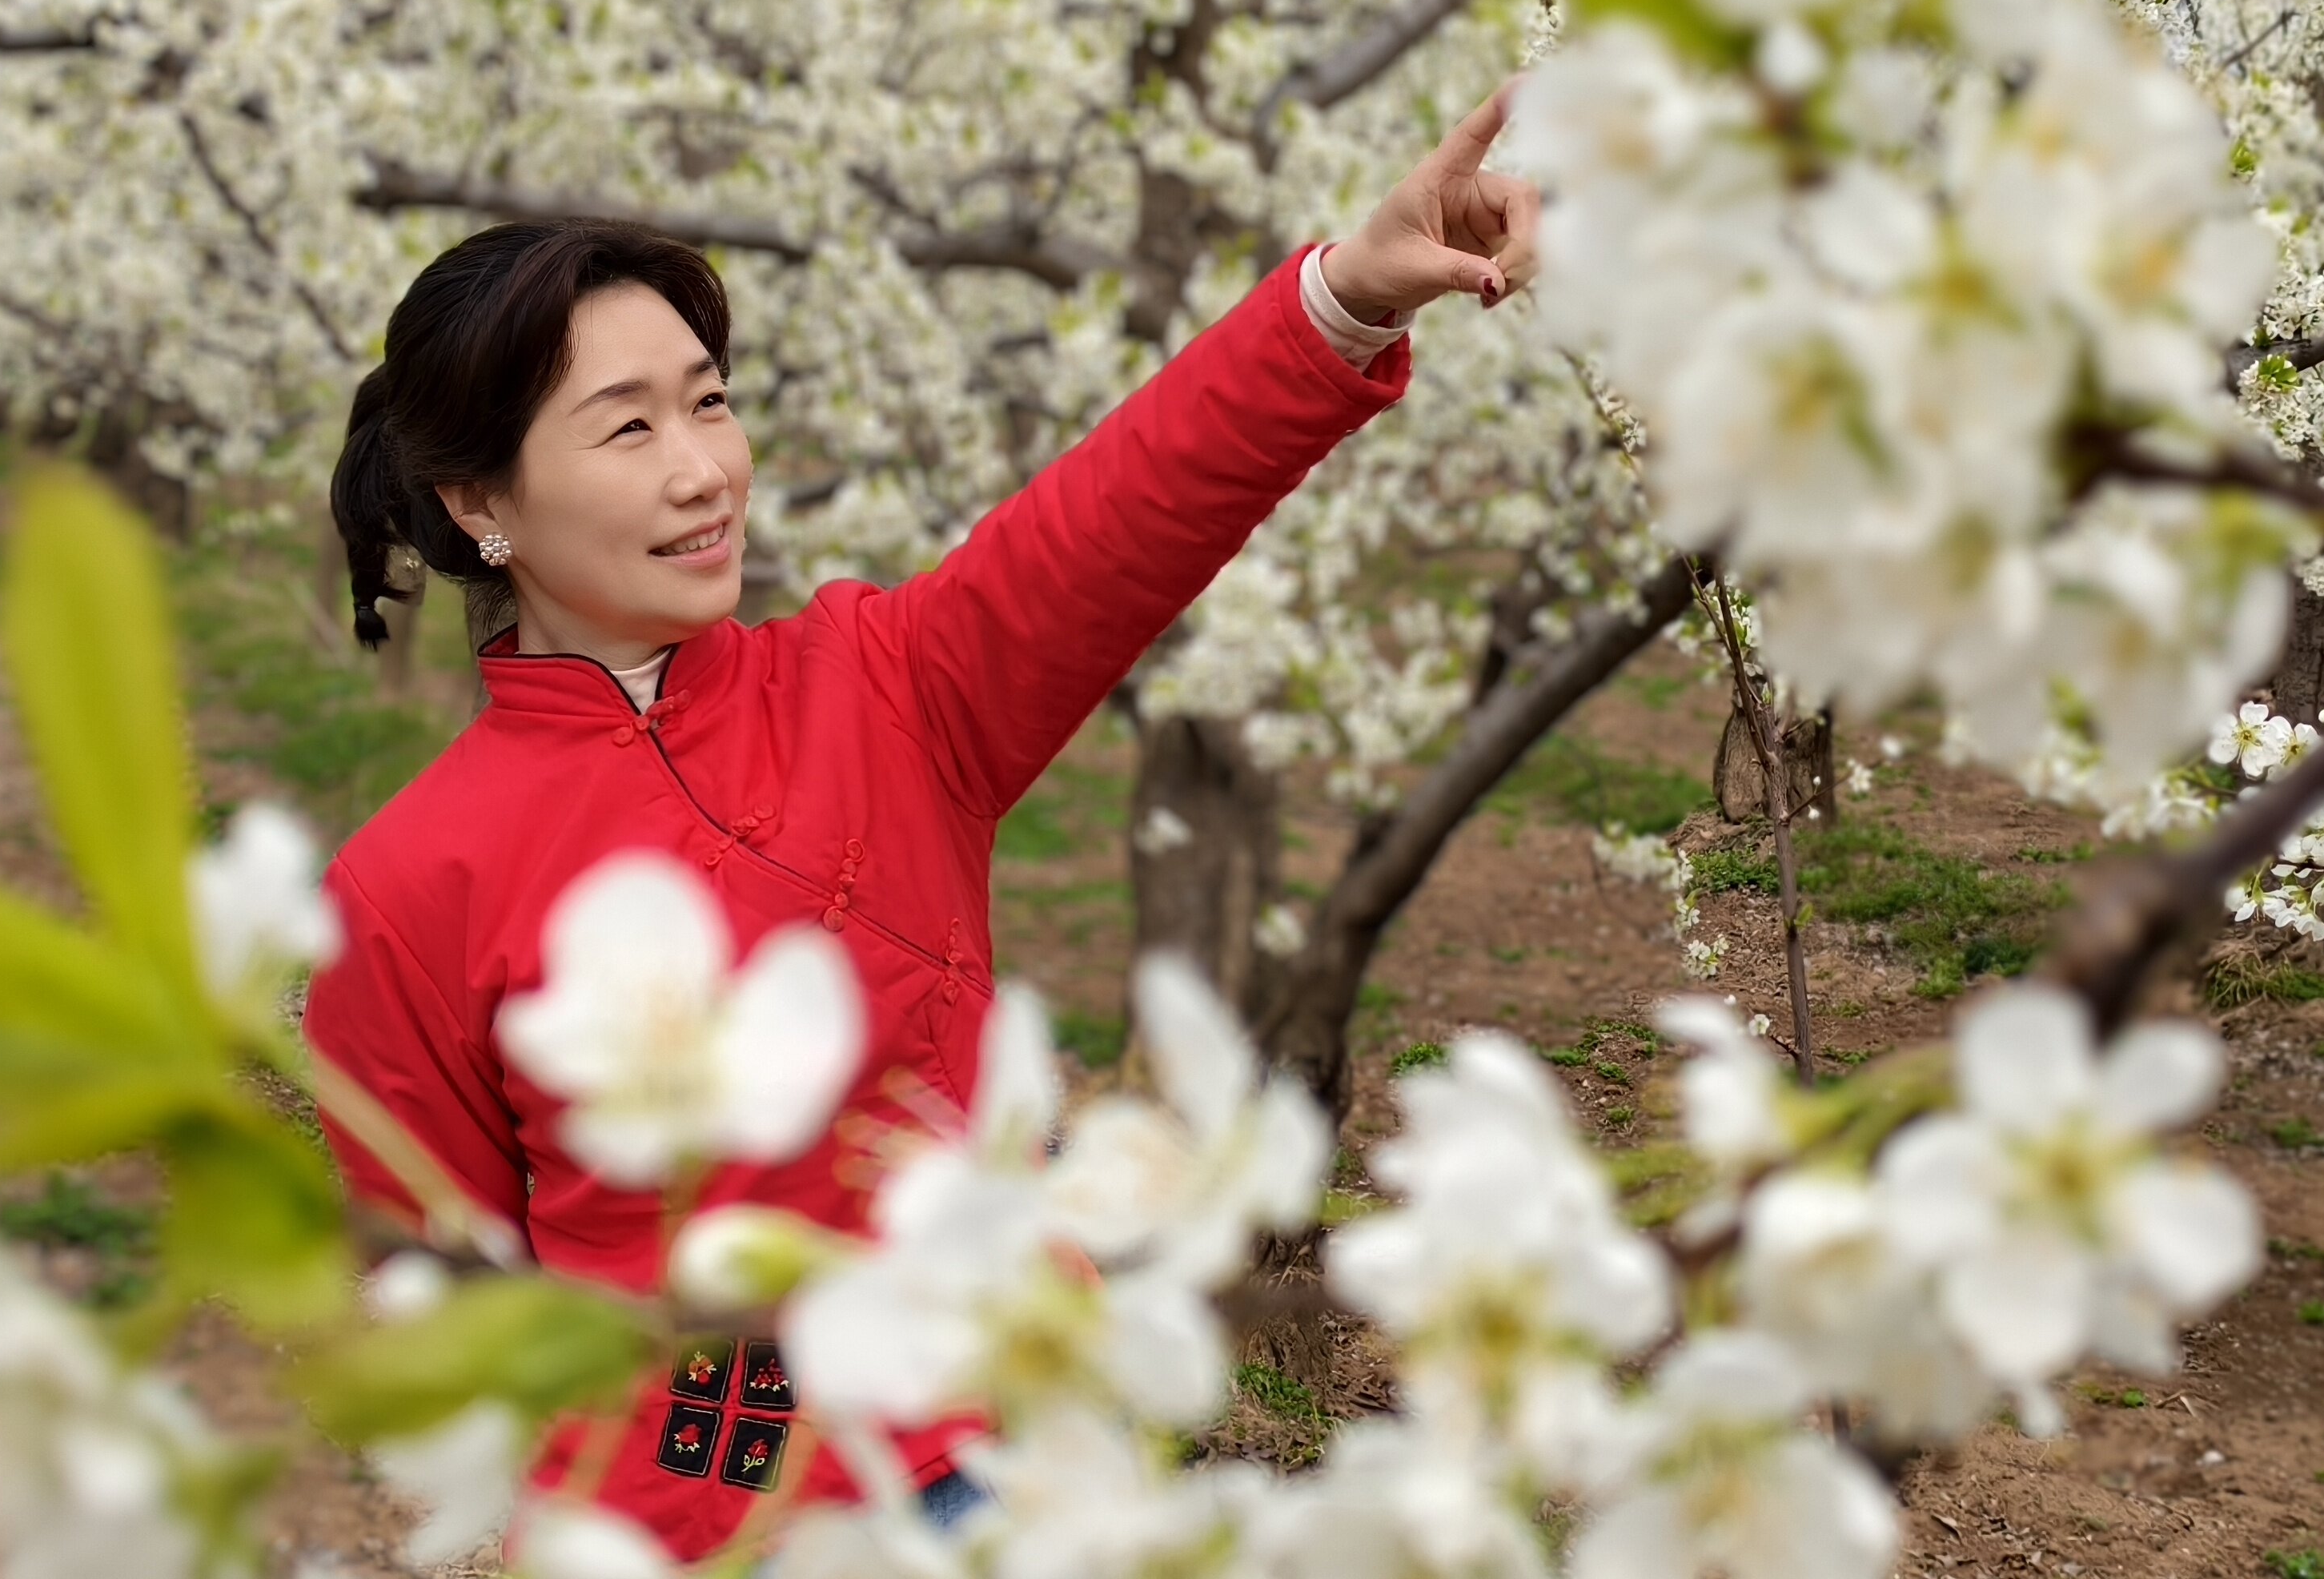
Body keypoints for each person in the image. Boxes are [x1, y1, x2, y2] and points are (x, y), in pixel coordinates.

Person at [307, 89, 1539, 1561]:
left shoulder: (886, 687)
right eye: (628, 426)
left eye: (709, 401)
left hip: (1023, 1457)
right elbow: (454, 1306)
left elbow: (1125, 511)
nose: (703, 471)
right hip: (708, 1530)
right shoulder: (403, 887)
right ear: (479, 503)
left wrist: (1345, 298)